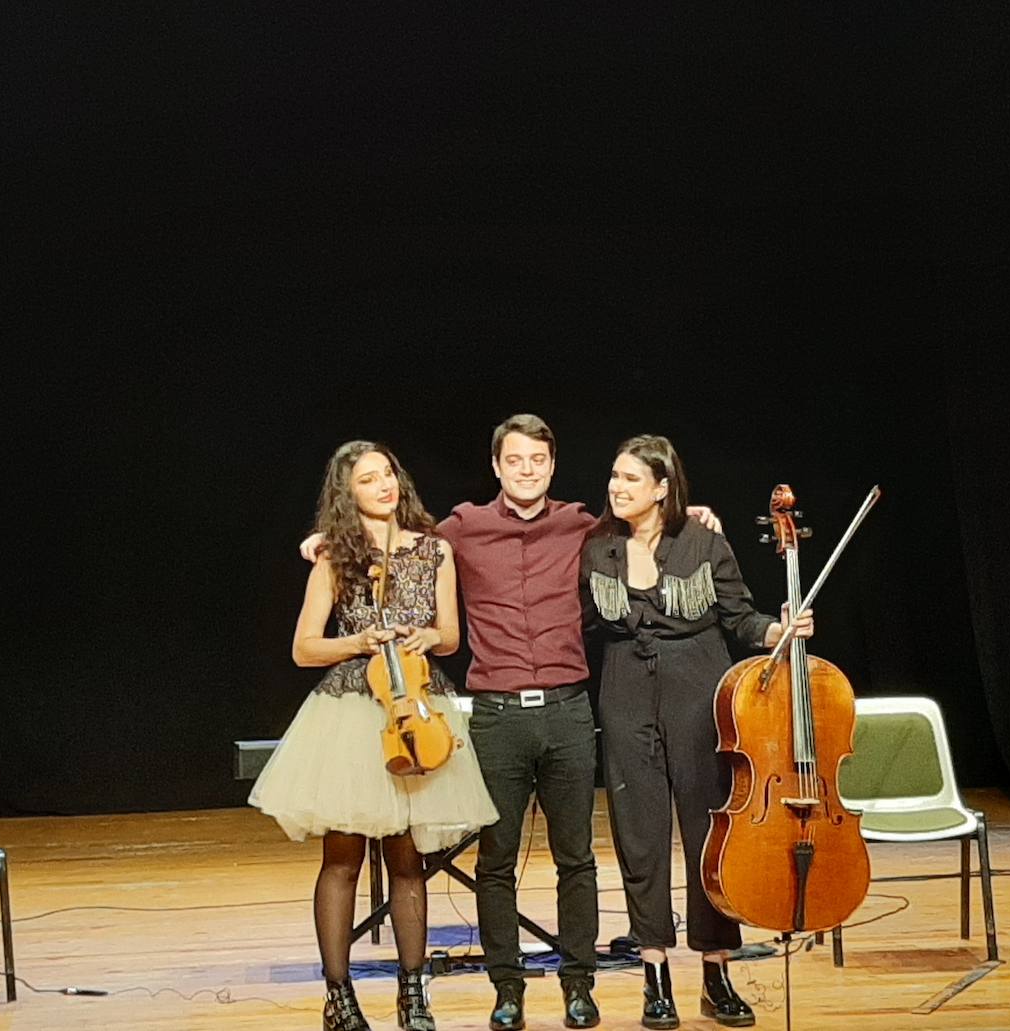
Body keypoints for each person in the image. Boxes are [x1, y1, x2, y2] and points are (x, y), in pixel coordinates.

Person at [302, 414, 720, 1031]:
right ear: (496, 466)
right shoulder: (461, 529)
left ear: (553, 466)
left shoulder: (583, 526)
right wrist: (322, 540)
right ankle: (508, 988)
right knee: (494, 861)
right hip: (496, 714)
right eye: (515, 460)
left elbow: (650, 523)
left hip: (569, 709)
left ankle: (580, 984)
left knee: (575, 857)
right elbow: (399, 538)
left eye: (539, 461)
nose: (527, 471)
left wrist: (696, 515)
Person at [252, 440, 499, 1031]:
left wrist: (424, 638)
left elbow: (451, 636)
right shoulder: (335, 556)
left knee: (410, 859)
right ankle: (339, 998)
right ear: (348, 492)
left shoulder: (435, 549)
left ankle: (414, 996)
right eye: (368, 479)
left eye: (388, 473)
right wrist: (359, 642)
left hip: (415, 703)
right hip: (353, 711)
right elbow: (305, 647)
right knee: (342, 858)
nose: (384, 485)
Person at [580, 434, 814, 1029]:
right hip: (626, 697)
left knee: (709, 835)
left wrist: (779, 631)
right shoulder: (596, 544)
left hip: (696, 694)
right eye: (614, 475)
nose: (616, 487)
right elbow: (580, 623)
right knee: (640, 838)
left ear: (662, 488)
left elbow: (739, 616)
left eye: (631, 479)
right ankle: (655, 975)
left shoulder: (704, 540)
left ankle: (716, 973)